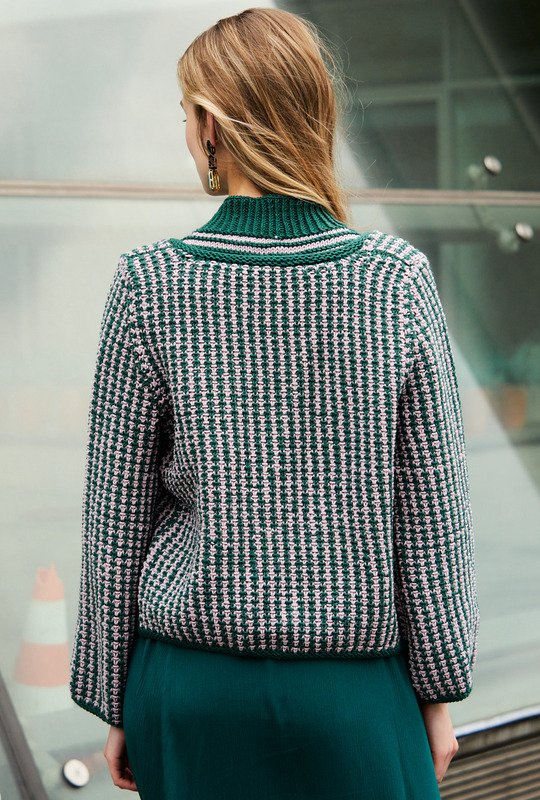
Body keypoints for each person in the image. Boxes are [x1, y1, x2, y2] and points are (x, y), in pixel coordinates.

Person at [69, 7, 480, 799]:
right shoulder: (395, 281)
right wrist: (438, 695)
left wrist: (113, 699)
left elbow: (114, 518)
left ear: (210, 126)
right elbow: (434, 516)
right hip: (355, 695)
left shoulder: (147, 284)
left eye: (186, 116)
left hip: (190, 690)